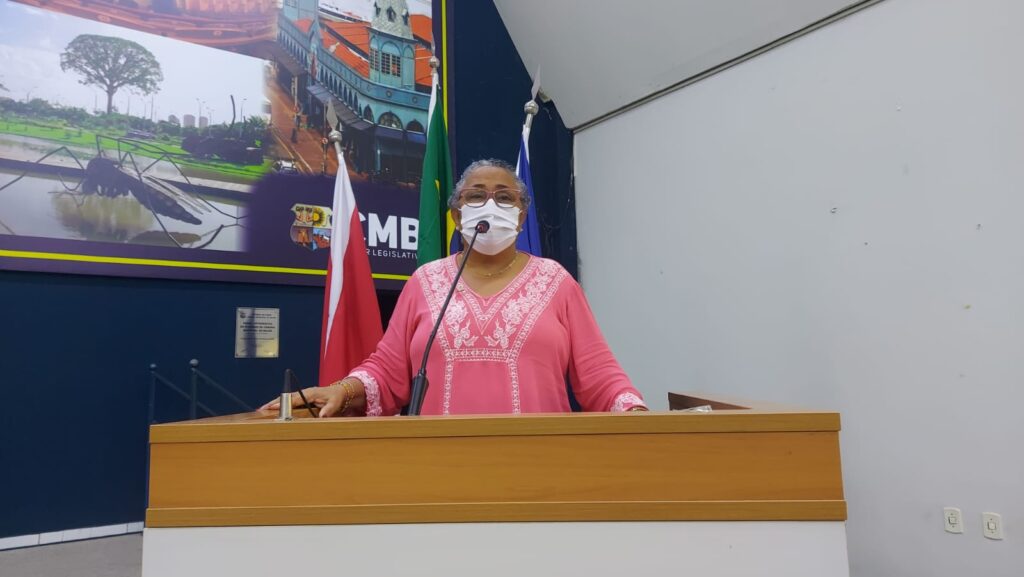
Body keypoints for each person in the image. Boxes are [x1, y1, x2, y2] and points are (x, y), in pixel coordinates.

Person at [263, 159, 647, 417]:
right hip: (440, 468)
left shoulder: (556, 281)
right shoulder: (425, 281)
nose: (490, 204)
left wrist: (635, 413)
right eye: (476, 195)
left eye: (505, 197)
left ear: (521, 216)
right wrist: (343, 390)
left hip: (539, 466)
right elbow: (387, 371)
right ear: (457, 214)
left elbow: (599, 374)